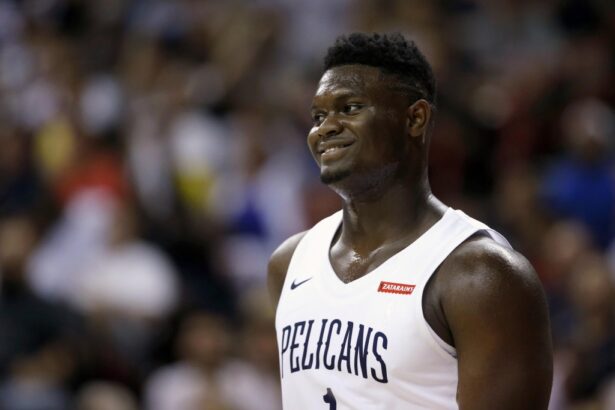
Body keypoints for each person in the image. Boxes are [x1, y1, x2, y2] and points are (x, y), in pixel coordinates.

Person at [268, 33, 552, 409]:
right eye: (318, 116)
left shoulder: (480, 276)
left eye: (349, 108)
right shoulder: (289, 262)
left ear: (415, 118)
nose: (326, 127)